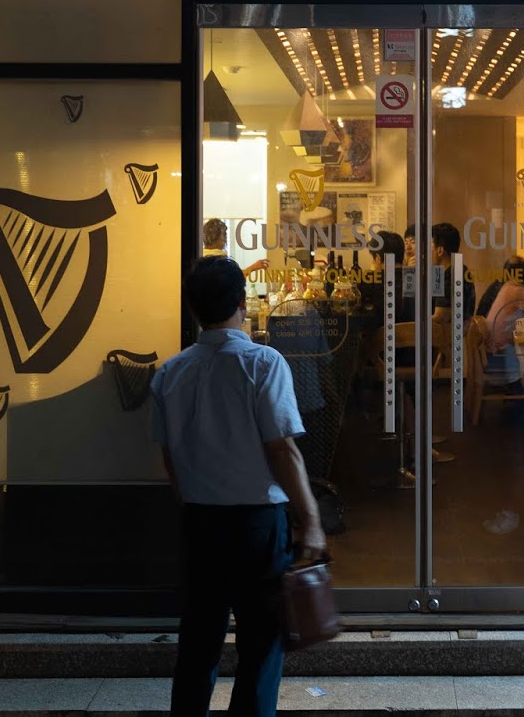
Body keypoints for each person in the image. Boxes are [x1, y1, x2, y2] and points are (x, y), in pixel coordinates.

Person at [150, 256, 326, 717]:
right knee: (261, 646)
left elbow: (169, 456)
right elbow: (283, 450)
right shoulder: (264, 363)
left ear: (193, 309)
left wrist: (190, 501)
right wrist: (310, 520)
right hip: (257, 525)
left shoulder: (169, 373)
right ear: (242, 304)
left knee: (198, 643)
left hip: (200, 520)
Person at [431, 222, 476, 320]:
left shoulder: (452, 275)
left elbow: (440, 317)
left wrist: (415, 323)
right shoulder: (456, 270)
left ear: (440, 251)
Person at [201, 217, 269, 278]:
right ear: (218, 237)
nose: (225, 239)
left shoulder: (201, 259)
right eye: (224, 234)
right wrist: (253, 267)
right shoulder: (219, 261)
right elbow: (233, 279)